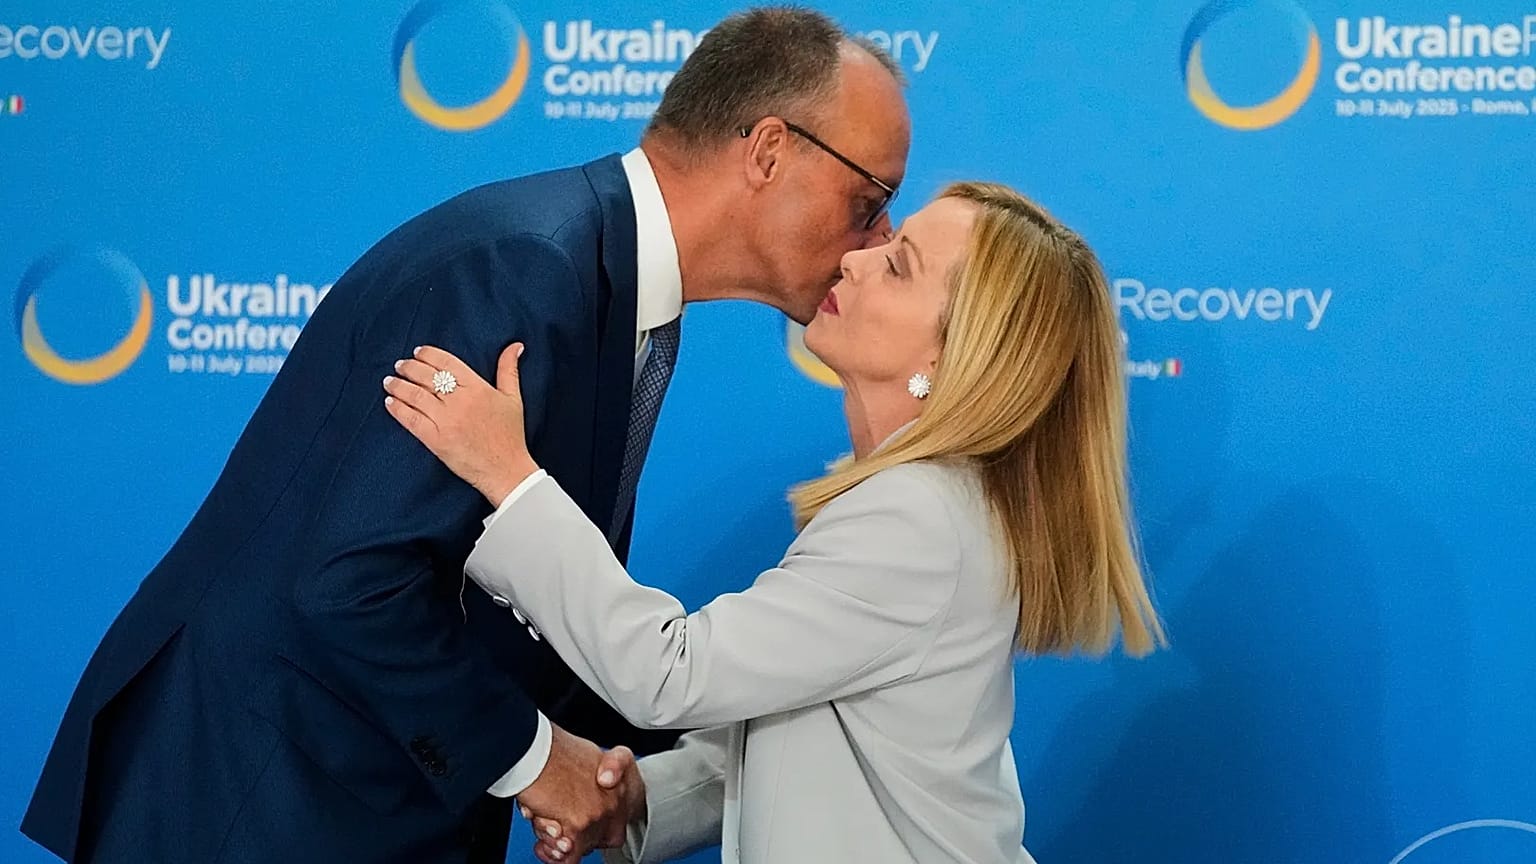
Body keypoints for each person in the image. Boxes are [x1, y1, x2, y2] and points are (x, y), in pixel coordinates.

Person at [20, 8, 910, 863]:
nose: (878, 236)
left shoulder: (596, 279)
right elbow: (350, 583)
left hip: (362, 797)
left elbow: (521, 610)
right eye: (869, 199)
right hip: (261, 801)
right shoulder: (522, 269)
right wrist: (537, 762)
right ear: (767, 149)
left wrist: (614, 775)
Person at [380, 181, 1168, 864]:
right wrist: (637, 801)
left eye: (897, 267)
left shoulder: (917, 516)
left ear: (960, 359)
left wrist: (506, 476)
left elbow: (670, 673)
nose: (856, 259)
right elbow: (804, 732)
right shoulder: (925, 503)